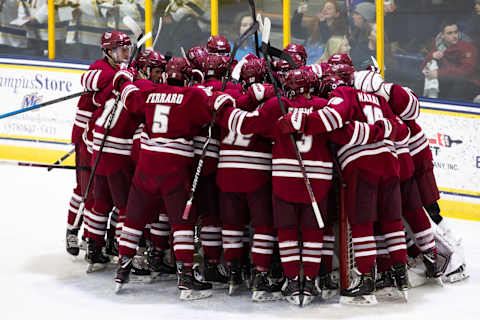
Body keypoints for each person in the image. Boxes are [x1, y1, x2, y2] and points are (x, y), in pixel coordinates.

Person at [65, 30, 129, 259]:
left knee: (102, 194)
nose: (126, 53)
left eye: (127, 48)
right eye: (121, 49)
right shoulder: (100, 68)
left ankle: (92, 238)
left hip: (102, 140)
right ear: (108, 51)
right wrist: (116, 79)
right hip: (85, 138)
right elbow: (88, 81)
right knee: (85, 191)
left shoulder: (123, 72)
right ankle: (72, 230)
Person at [422, 19, 478, 101]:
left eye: (456, 32)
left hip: (470, 83)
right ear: (442, 35)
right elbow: (424, 68)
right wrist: (432, 56)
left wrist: (439, 73)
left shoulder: (468, 47)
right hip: (447, 81)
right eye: (450, 33)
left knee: (458, 86)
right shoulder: (437, 46)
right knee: (420, 81)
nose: (454, 36)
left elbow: (466, 72)